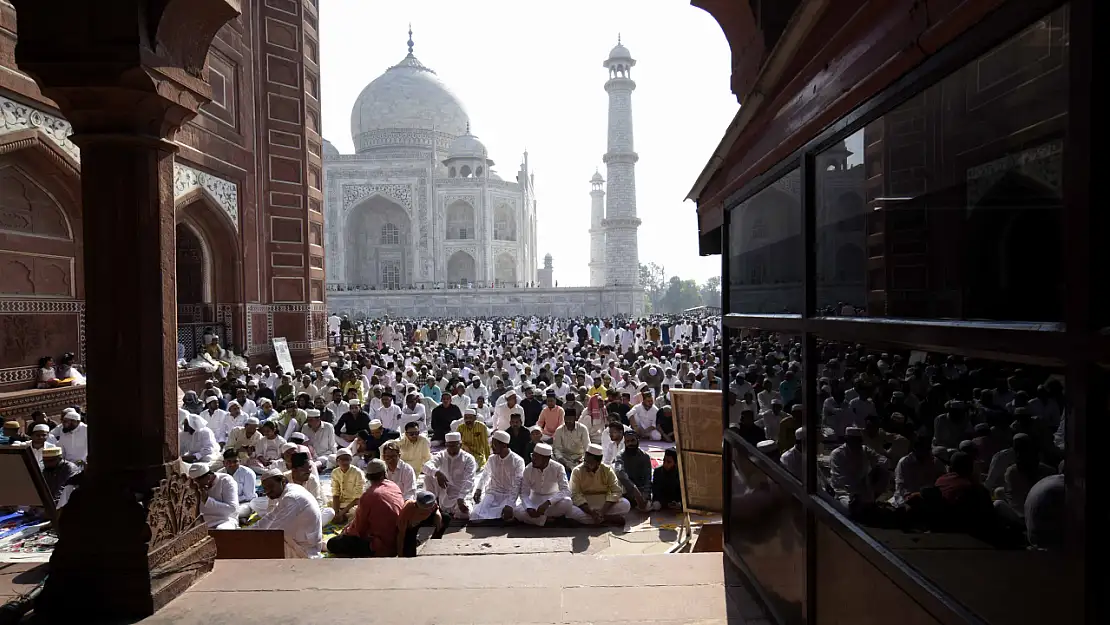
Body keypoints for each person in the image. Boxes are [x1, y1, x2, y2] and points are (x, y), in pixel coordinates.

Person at [328, 459, 404, 558]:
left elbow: (359, 528)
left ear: (367, 476)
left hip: (380, 546)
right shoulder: (394, 486)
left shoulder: (369, 495)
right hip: (397, 540)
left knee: (332, 543)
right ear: (384, 473)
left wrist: (345, 532)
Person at [252, 467, 324, 558]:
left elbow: (275, 531)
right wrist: (248, 532)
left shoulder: (291, 498)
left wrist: (251, 539)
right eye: (265, 489)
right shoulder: (290, 491)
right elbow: (271, 516)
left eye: (271, 487)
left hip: (304, 549)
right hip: (301, 538)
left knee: (255, 550)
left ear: (282, 481)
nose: (268, 492)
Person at [565, 443, 631, 526]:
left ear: (598, 463)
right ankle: (608, 519)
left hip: (604, 504)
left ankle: (593, 520)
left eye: (589, 462)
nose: (586, 464)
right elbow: (575, 495)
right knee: (570, 510)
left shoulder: (607, 470)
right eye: (585, 460)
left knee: (625, 504)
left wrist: (602, 512)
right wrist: (591, 512)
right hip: (585, 505)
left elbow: (616, 491)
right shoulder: (577, 471)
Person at [513, 443, 573, 526]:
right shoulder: (528, 469)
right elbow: (524, 493)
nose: (532, 459)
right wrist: (529, 507)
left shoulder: (558, 468)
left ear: (546, 459)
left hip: (552, 501)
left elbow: (566, 490)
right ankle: (545, 520)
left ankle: (535, 520)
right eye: (532, 456)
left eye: (535, 457)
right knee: (516, 510)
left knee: (567, 502)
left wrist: (548, 503)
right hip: (534, 500)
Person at [471, 430, 524, 521]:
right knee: (475, 515)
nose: (491, 447)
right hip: (493, 493)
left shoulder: (517, 461)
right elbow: (485, 476)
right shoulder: (492, 459)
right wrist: (479, 489)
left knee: (511, 513)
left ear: (504, 445)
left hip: (508, 495)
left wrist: (510, 504)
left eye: (494, 444)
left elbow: (517, 485)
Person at [422, 432, 477, 520]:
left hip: (459, 494)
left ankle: (444, 511)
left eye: (454, 446)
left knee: (465, 514)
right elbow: (426, 467)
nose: (451, 449)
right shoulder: (441, 455)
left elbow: (469, 480)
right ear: (446, 445)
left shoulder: (468, 459)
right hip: (443, 491)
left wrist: (461, 498)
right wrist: (437, 473)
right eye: (449, 446)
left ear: (460, 444)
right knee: (428, 476)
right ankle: (432, 504)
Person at [893, 435, 947, 505]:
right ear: (915, 449)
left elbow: (943, 480)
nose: (927, 453)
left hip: (929, 500)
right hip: (909, 500)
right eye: (924, 449)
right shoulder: (904, 463)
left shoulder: (934, 461)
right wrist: (910, 497)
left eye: (928, 449)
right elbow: (900, 487)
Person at [187, 462, 239, 529]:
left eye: (197, 482)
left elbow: (232, 508)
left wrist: (207, 501)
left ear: (208, 477)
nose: (196, 485)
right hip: (204, 521)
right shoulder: (196, 486)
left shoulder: (226, 481)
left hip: (225, 520)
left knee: (221, 530)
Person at [395, 490, 447, 557]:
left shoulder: (431, 502)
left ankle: (434, 540)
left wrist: (437, 513)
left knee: (445, 518)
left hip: (425, 520)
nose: (427, 510)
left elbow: (436, 508)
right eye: (424, 510)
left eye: (429, 508)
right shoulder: (408, 509)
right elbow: (401, 534)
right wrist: (400, 554)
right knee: (409, 554)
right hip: (411, 527)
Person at [615, 428, 653, 510]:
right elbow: (620, 472)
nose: (630, 443)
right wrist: (634, 489)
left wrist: (645, 496)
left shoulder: (645, 456)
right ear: (624, 443)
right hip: (627, 489)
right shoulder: (620, 455)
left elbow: (648, 478)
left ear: (637, 440)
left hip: (641, 490)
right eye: (627, 442)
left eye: (633, 440)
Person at [218, 448, 257, 522]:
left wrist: (231, 501)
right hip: (225, 504)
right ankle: (239, 519)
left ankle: (238, 518)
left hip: (244, 503)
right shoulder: (219, 474)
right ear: (224, 463)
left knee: (234, 512)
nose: (232, 464)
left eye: (235, 461)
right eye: (229, 462)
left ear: (240, 461)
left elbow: (248, 496)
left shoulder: (248, 473)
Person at [330, 448, 364, 525]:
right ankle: (343, 517)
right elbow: (335, 494)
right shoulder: (335, 472)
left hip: (353, 504)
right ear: (337, 461)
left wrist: (341, 513)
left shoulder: (358, 473)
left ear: (351, 460)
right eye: (342, 460)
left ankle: (345, 519)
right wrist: (336, 512)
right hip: (340, 503)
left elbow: (357, 498)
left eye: (347, 459)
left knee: (355, 513)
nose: (345, 462)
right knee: (328, 510)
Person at [552, 410, 592, 474]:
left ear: (575, 418)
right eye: (566, 420)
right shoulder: (559, 430)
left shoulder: (582, 429)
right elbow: (556, 449)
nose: (568, 422)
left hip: (579, 457)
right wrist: (563, 461)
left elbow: (587, 447)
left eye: (570, 420)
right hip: (564, 457)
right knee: (552, 459)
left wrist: (582, 459)